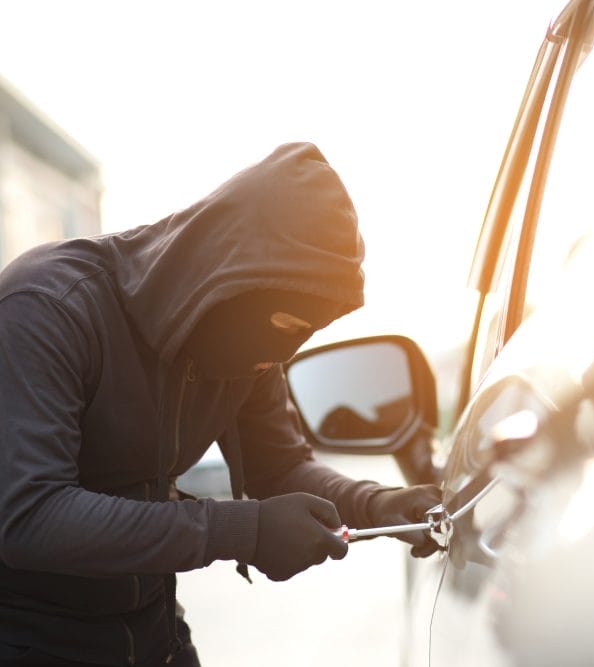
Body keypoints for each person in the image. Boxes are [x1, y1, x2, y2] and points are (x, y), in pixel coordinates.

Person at [0, 142, 442, 666]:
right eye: (285, 323)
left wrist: (379, 505)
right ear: (226, 272)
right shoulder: (49, 308)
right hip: (30, 639)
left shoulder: (250, 343)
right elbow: (30, 515)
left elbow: (278, 468)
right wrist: (241, 531)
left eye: (309, 331)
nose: (283, 351)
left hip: (156, 633)